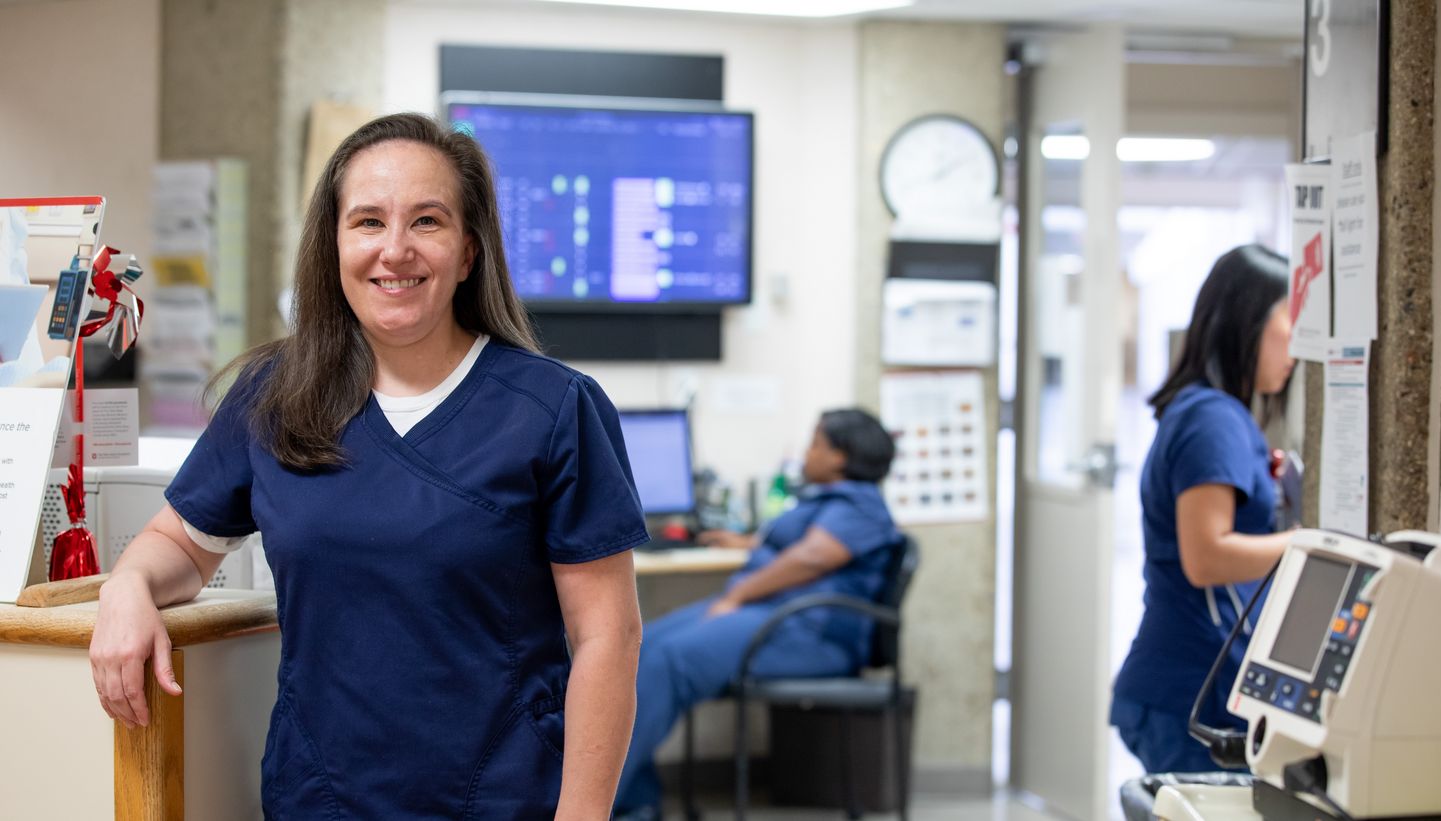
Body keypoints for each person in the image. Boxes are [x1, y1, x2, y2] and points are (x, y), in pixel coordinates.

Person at [88, 113, 647, 819]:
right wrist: (128, 585)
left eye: (428, 221)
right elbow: (180, 541)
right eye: (368, 221)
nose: (395, 249)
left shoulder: (553, 409)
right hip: (320, 797)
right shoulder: (275, 395)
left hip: (504, 799)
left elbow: (609, 635)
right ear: (334, 244)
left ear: (469, 251)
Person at [614, 408, 902, 819]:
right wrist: (744, 543)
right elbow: (797, 543)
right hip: (777, 618)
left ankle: (596, 802)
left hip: (808, 634)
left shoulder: (862, 504)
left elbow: (814, 556)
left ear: (841, 456)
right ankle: (633, 804)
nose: (807, 452)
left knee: (667, 662)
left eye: (816, 443)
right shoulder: (827, 500)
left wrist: (739, 594)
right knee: (638, 647)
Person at [1110, 244, 1296, 774]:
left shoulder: (1208, 411)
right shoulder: (1212, 417)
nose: (1296, 346)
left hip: (1185, 679)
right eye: (1290, 322)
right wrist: (1309, 542)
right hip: (1188, 686)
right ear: (1250, 321)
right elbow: (1206, 557)